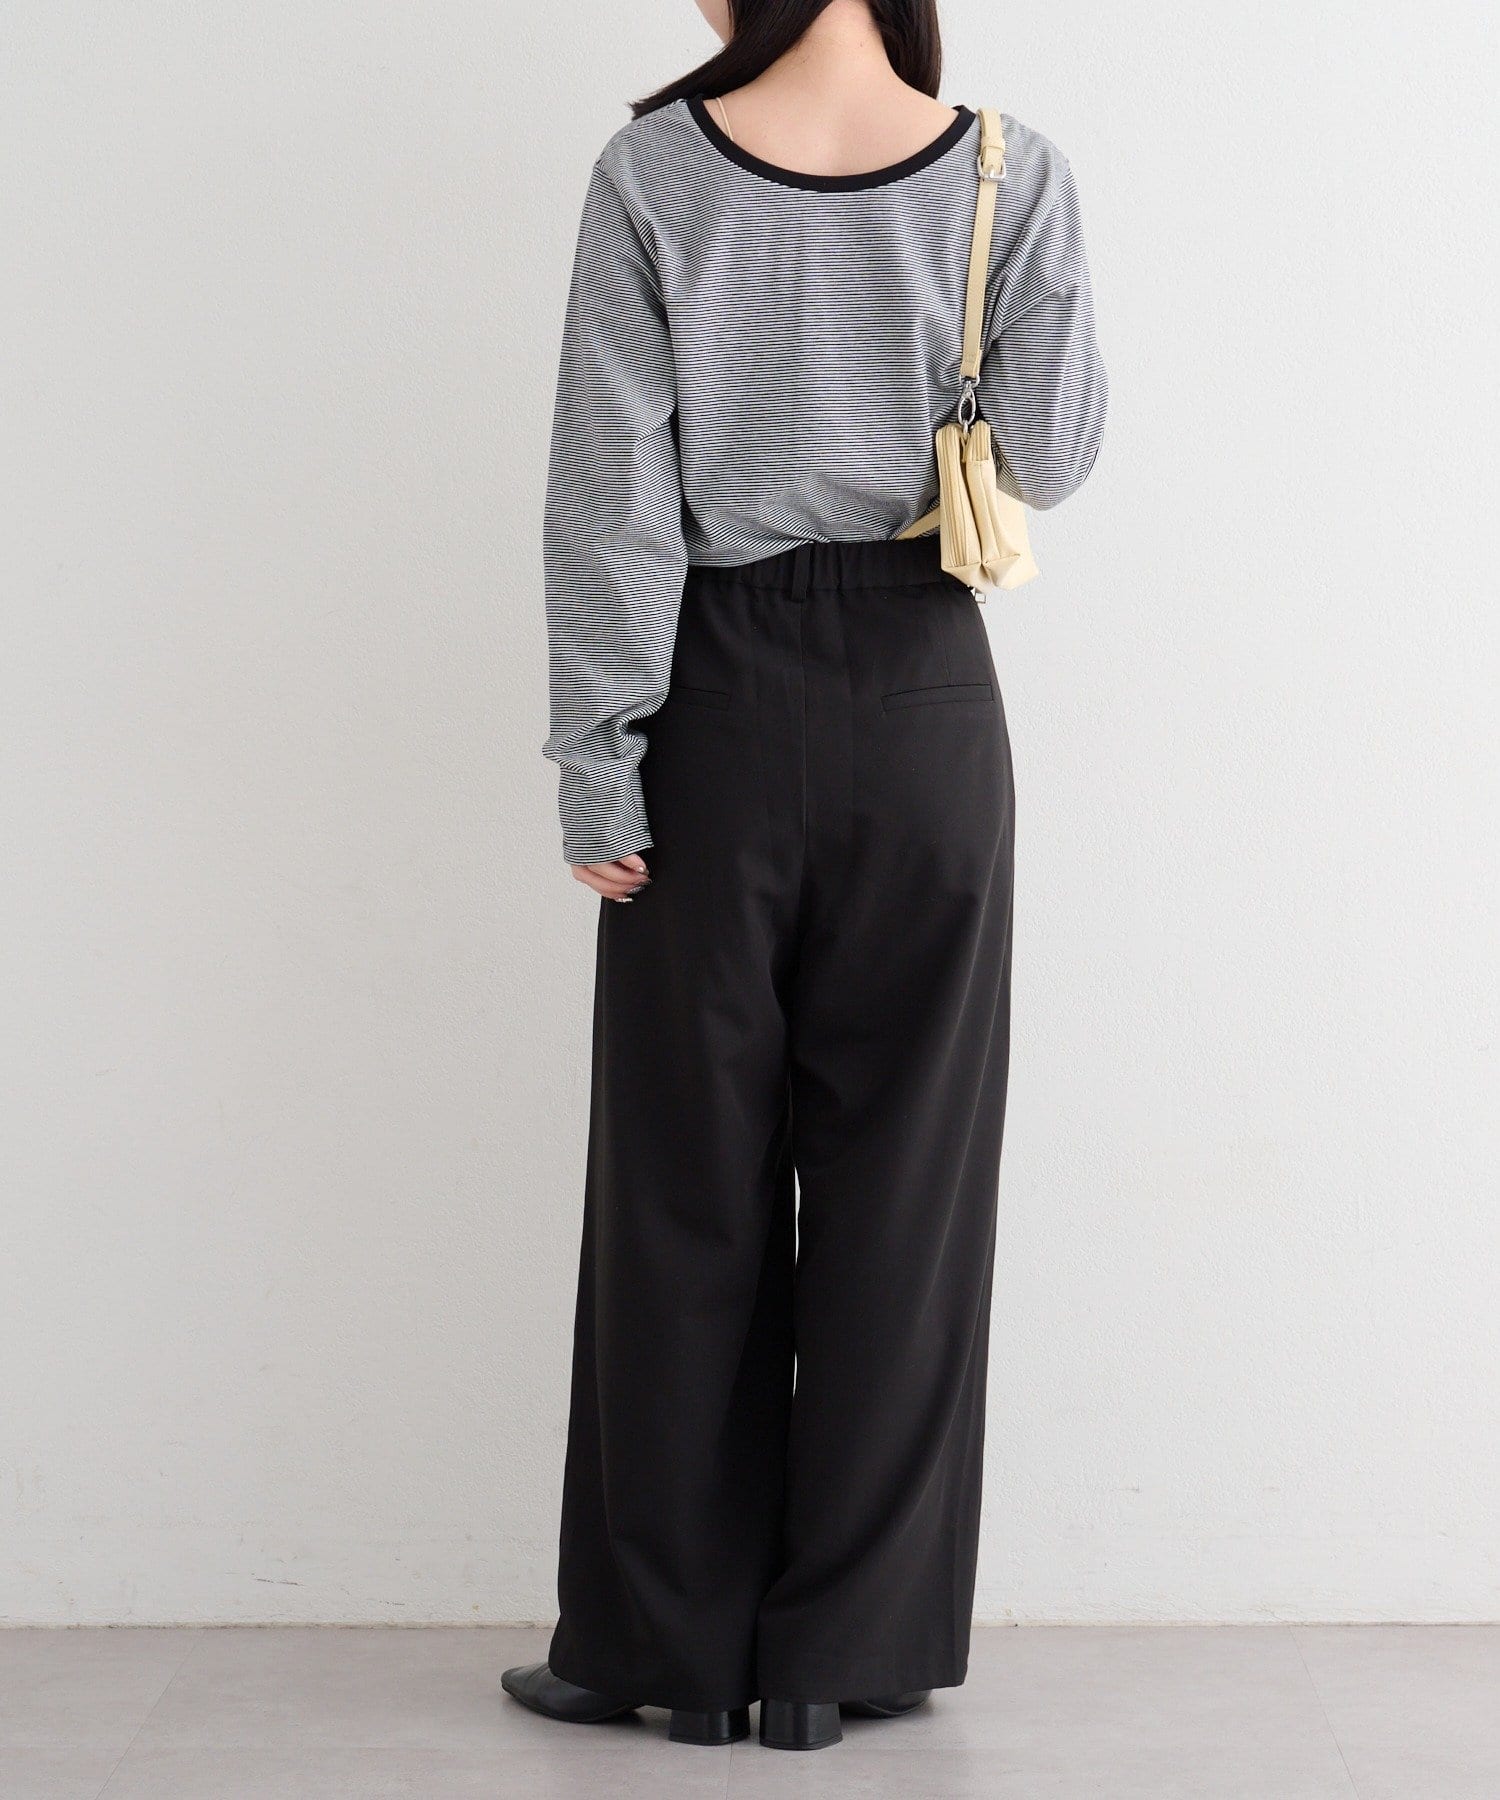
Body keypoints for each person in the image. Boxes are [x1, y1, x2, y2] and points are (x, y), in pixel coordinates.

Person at [505, 0, 1107, 1754]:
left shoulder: (654, 175)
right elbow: (1057, 456)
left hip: (717, 704)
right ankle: (847, 1648)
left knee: (680, 1187)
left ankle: (665, 1646)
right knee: (905, 1188)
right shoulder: (1011, 173)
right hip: (926, 710)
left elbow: (610, 490)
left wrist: (600, 754)